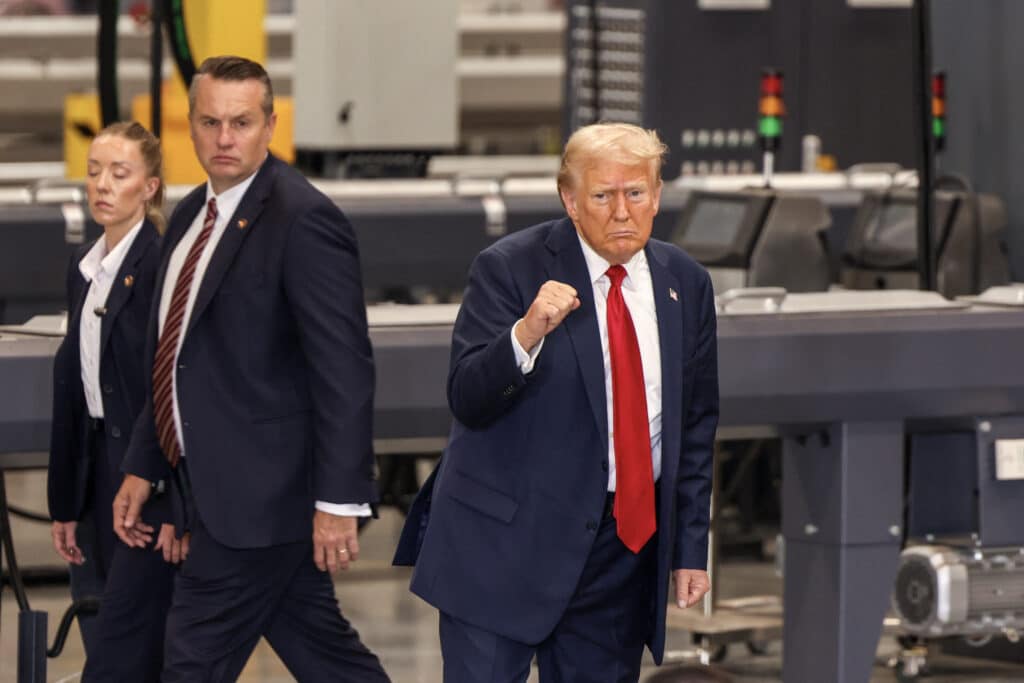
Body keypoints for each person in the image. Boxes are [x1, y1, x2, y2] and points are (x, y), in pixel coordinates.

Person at [395, 122, 720, 681]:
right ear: (570, 200)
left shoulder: (684, 283)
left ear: (658, 195)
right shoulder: (509, 267)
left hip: (619, 559)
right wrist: (524, 335)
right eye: (602, 195)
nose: (622, 212)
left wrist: (690, 547)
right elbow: (468, 397)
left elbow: (693, 429)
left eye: (636, 193)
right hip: (503, 552)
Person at [110, 55, 389, 682]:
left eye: (241, 122)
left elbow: (343, 369)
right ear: (190, 125)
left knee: (190, 659)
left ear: (270, 125)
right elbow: (176, 356)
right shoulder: (187, 216)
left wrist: (340, 501)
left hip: (267, 499)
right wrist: (144, 462)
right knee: (324, 651)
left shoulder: (304, 219)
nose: (225, 138)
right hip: (216, 494)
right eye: (210, 122)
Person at [47, 120, 179, 681]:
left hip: (143, 478)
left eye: (119, 174)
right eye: (94, 171)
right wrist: (65, 503)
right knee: (99, 627)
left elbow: (172, 389)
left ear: (149, 187)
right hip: (94, 475)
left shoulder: (159, 269)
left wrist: (174, 505)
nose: (102, 184)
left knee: (130, 655)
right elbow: (76, 388)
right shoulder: (86, 269)